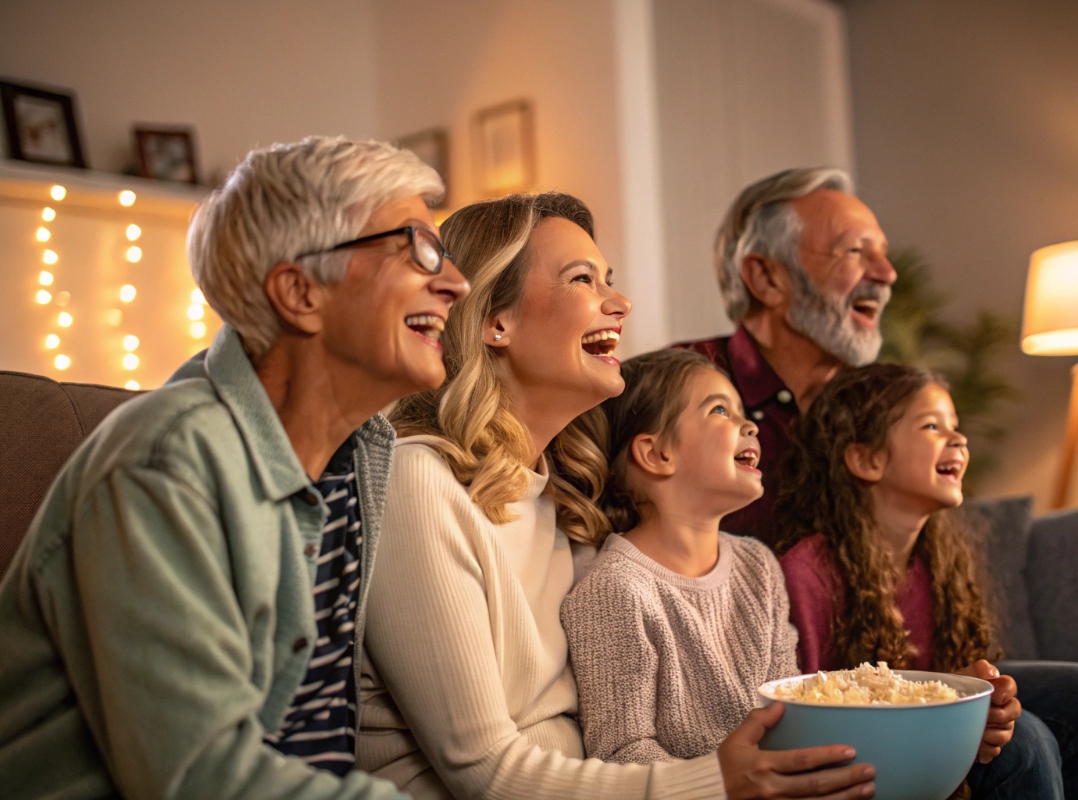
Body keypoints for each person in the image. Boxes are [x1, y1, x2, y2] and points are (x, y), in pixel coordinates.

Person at [358, 192, 877, 800]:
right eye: (582, 279)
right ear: (495, 322)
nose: (620, 303)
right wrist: (719, 783)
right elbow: (482, 772)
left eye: (610, 279)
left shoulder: (566, 501)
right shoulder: (419, 484)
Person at [0, 136, 469, 798]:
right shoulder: (166, 464)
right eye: (419, 248)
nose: (456, 282)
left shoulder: (361, 452)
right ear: (300, 291)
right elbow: (203, 779)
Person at [775, 363, 1078, 799]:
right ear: (866, 459)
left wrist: (976, 693)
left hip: (927, 715)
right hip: (871, 740)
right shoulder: (806, 573)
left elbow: (945, 672)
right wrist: (955, 715)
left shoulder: (938, 558)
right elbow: (805, 716)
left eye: (956, 426)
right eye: (932, 425)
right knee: (1026, 742)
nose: (959, 439)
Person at [562, 349, 800, 764]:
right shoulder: (614, 592)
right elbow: (621, 750)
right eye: (721, 410)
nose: (749, 426)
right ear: (656, 454)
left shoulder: (759, 566)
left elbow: (791, 709)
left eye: (742, 411)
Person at [676, 168, 895, 547]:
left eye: (882, 253)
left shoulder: (882, 406)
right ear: (766, 278)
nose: (886, 273)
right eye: (855, 251)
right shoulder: (673, 391)